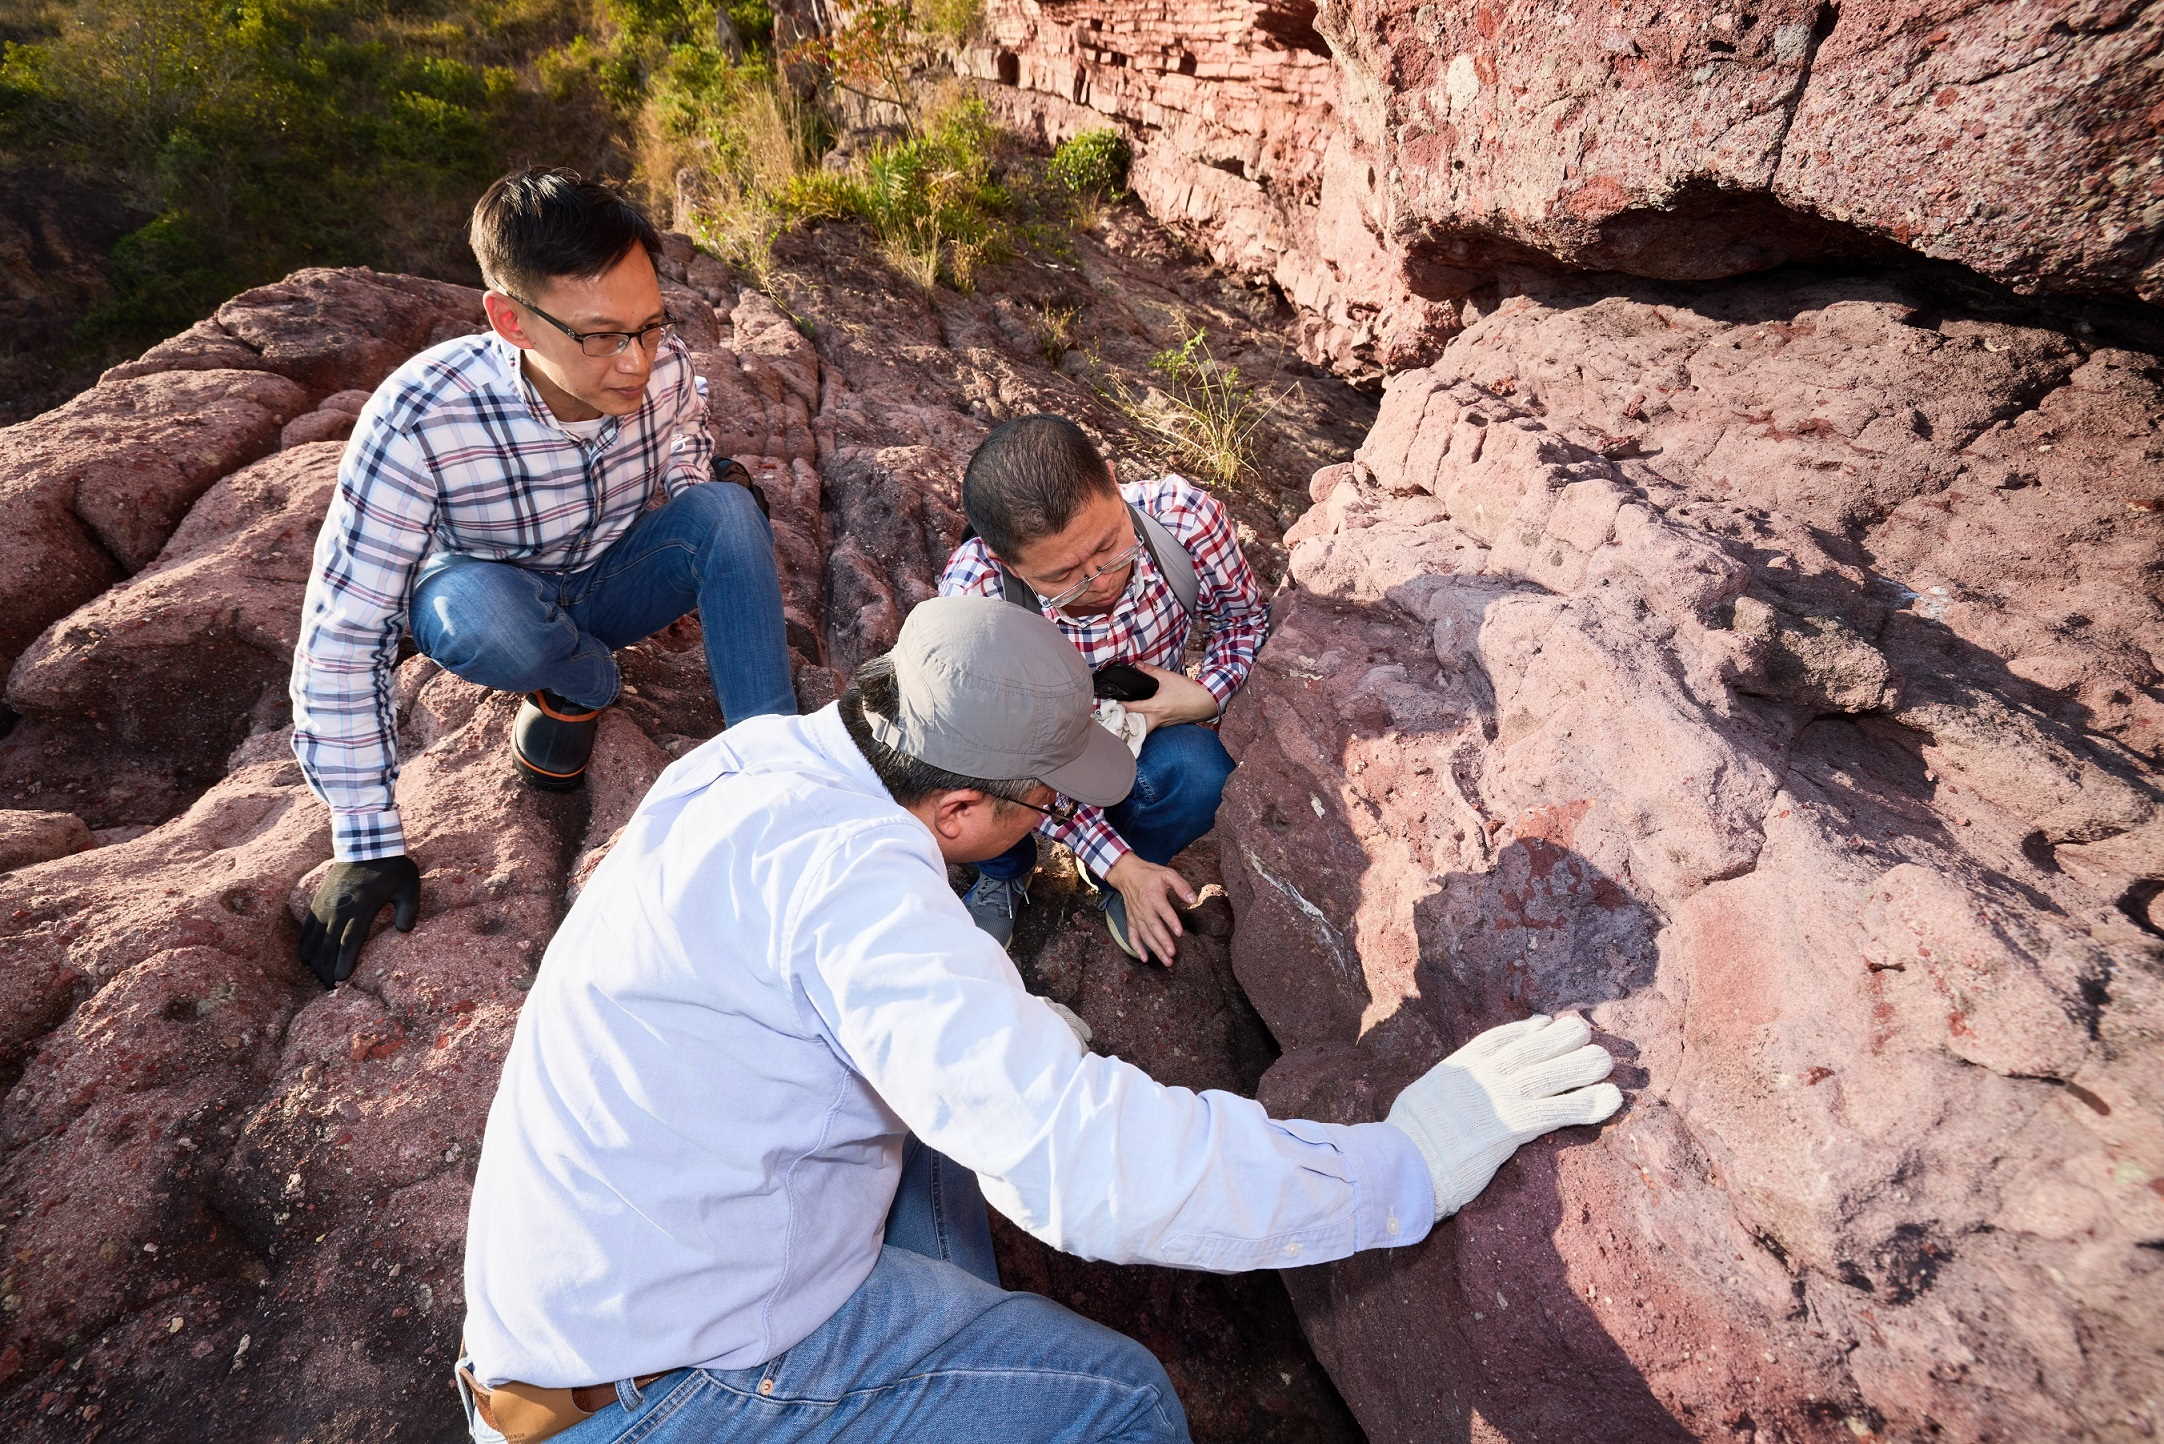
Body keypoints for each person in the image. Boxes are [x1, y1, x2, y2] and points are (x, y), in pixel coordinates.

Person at [455, 594, 1623, 1444]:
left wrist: (995, 1019)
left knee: (945, 1162)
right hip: (665, 1396)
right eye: (1045, 804)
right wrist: (1406, 1163)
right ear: (960, 806)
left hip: (587, 1305)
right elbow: (1086, 1170)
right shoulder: (863, 899)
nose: (1059, 818)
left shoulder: (763, 761)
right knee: (1113, 1407)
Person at [287, 167, 794, 989]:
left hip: (616, 573)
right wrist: (365, 840)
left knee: (730, 513)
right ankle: (581, 683)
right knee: (472, 611)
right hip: (504, 602)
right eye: (600, 337)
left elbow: (689, 444)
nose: (636, 361)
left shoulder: (661, 369)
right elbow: (346, 626)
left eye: (652, 325)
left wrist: (689, 535)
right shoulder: (421, 416)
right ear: (510, 319)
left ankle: (781, 779)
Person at [938, 414, 1265, 965]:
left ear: (1114, 482)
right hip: (1021, 756)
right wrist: (1119, 862)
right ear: (1003, 560)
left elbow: (1245, 623)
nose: (1102, 578)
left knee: (1199, 771)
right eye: (1063, 577)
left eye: (1110, 545)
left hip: (1143, 734)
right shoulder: (977, 605)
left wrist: (1203, 695)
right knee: (958, 783)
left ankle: (1128, 857)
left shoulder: (1182, 520)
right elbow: (1003, 755)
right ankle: (1008, 870)